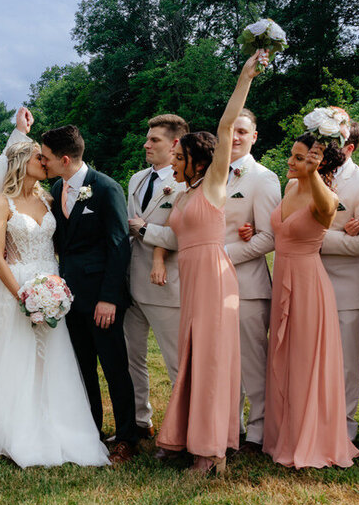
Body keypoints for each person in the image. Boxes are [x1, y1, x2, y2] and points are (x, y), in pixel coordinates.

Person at [0, 139, 110, 467]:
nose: (45, 162)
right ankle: (15, 429)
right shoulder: (2, 203)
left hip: (51, 283)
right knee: (18, 356)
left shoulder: (48, 198)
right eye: (38, 157)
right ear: (20, 162)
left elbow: (59, 243)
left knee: (52, 358)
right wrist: (23, 296)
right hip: (18, 286)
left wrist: (53, 288)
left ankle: (57, 423)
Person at [151, 57, 263, 474]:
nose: (172, 162)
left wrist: (245, 78)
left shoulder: (215, 185)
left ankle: (213, 449)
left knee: (213, 360)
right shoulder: (181, 195)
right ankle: (186, 437)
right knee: (193, 357)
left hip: (216, 279)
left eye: (178, 156)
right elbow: (169, 237)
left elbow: (225, 125)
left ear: (197, 159)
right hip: (191, 280)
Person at [262, 131, 359, 469]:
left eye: (300, 158)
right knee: (284, 355)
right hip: (283, 276)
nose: (291, 161)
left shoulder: (327, 198)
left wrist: (313, 171)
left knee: (305, 359)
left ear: (319, 164)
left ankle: (311, 438)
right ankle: (283, 434)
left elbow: (326, 209)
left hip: (307, 282)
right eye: (293, 155)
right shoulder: (289, 187)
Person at [43, 125, 139, 463]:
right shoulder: (57, 187)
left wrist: (109, 297)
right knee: (82, 368)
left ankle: (128, 436)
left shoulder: (106, 188)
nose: (44, 162)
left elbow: (117, 245)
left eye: (47, 158)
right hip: (69, 296)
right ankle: (91, 430)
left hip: (102, 297)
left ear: (65, 159)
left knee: (114, 367)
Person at [126, 114, 189, 439]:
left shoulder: (186, 182)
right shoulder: (136, 178)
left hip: (167, 283)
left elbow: (185, 236)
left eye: (155, 140)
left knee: (176, 361)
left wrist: (147, 229)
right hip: (133, 281)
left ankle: (183, 428)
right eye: (147, 138)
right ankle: (140, 422)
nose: (146, 144)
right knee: (131, 357)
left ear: (175, 143)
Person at [223, 109, 281, 450]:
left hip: (247, 286)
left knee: (252, 363)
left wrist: (220, 256)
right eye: (230, 130)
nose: (235, 137)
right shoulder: (209, 175)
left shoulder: (262, 178)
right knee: (224, 361)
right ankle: (232, 425)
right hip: (213, 287)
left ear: (254, 136)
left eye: (242, 131)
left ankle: (259, 429)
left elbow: (270, 237)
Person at [319, 122, 359, 441]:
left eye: (330, 143)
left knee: (345, 361)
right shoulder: (306, 174)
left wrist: (315, 239)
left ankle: (344, 424)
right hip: (305, 279)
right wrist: (340, 233)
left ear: (349, 148)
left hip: (348, 286)